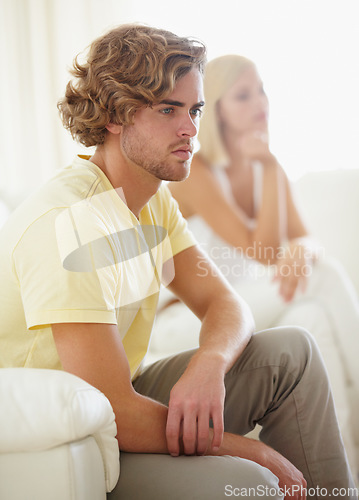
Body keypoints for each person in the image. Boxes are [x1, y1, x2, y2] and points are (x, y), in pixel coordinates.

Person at [0, 25, 356, 499]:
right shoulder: (70, 222)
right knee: (254, 481)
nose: (190, 128)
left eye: (195, 110)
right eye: (169, 110)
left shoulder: (152, 199)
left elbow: (224, 304)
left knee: (293, 351)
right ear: (114, 115)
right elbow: (112, 409)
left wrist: (210, 362)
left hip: (119, 395)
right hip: (72, 431)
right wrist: (254, 451)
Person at [152, 54, 359, 476]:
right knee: (325, 279)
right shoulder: (199, 171)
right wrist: (267, 167)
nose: (260, 102)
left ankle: (342, 469)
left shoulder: (271, 167)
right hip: (195, 320)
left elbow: (304, 236)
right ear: (219, 110)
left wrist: (304, 248)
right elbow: (261, 253)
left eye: (261, 89)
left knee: (308, 319)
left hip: (253, 305)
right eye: (243, 95)